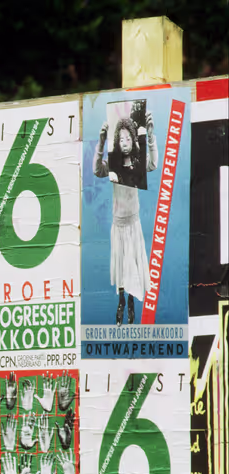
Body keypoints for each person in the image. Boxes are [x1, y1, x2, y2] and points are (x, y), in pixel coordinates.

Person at [93, 110, 157, 325]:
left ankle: (130, 301)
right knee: (121, 266)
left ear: (133, 138)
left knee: (133, 266)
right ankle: (122, 300)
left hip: (133, 223)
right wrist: (101, 143)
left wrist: (150, 135)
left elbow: (153, 164)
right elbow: (96, 170)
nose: (125, 142)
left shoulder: (138, 164)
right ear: (117, 142)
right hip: (118, 225)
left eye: (128, 137)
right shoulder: (114, 165)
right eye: (121, 139)